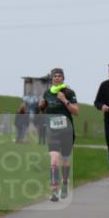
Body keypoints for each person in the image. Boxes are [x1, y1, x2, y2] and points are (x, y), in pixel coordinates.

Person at [39, 67, 79, 202]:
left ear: (63, 78)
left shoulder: (69, 92)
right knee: (54, 160)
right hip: (53, 132)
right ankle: (54, 191)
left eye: (59, 76)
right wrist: (41, 105)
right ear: (52, 78)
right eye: (54, 76)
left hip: (67, 131)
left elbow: (76, 112)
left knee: (65, 160)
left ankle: (65, 183)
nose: (57, 78)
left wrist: (64, 100)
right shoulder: (47, 93)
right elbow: (43, 108)